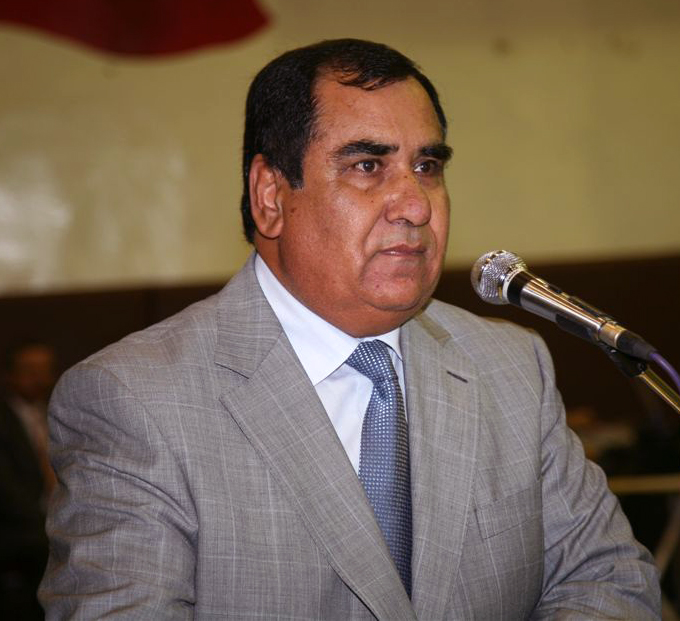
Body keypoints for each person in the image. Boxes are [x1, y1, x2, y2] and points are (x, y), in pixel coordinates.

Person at [39, 39, 659, 619]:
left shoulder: (509, 364)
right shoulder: (136, 400)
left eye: (427, 166)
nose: (416, 205)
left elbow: (606, 577)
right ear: (271, 196)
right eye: (367, 165)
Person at [1, 341, 56, 620]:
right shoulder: (4, 420)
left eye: (44, 370)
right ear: (9, 374)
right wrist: (47, 524)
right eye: (29, 370)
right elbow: (7, 490)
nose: (39, 378)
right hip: (19, 530)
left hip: (57, 519)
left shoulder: (55, 413)